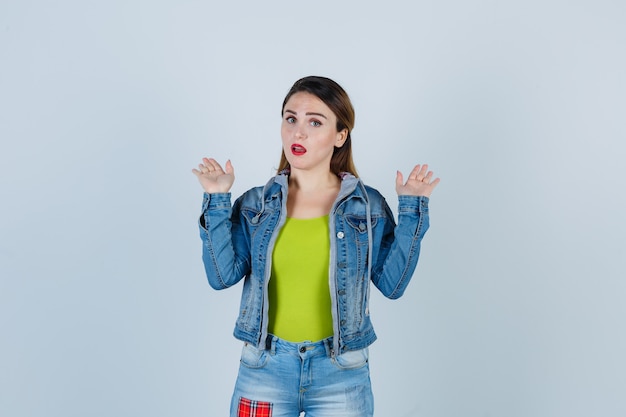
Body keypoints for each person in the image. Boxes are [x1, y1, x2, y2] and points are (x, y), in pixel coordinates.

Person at [192, 76, 440, 417]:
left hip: (341, 373)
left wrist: (412, 210)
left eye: (315, 122)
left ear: (340, 136)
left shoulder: (365, 207)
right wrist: (217, 199)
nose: (298, 132)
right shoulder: (256, 206)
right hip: (264, 368)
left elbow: (393, 285)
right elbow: (220, 276)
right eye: (290, 118)